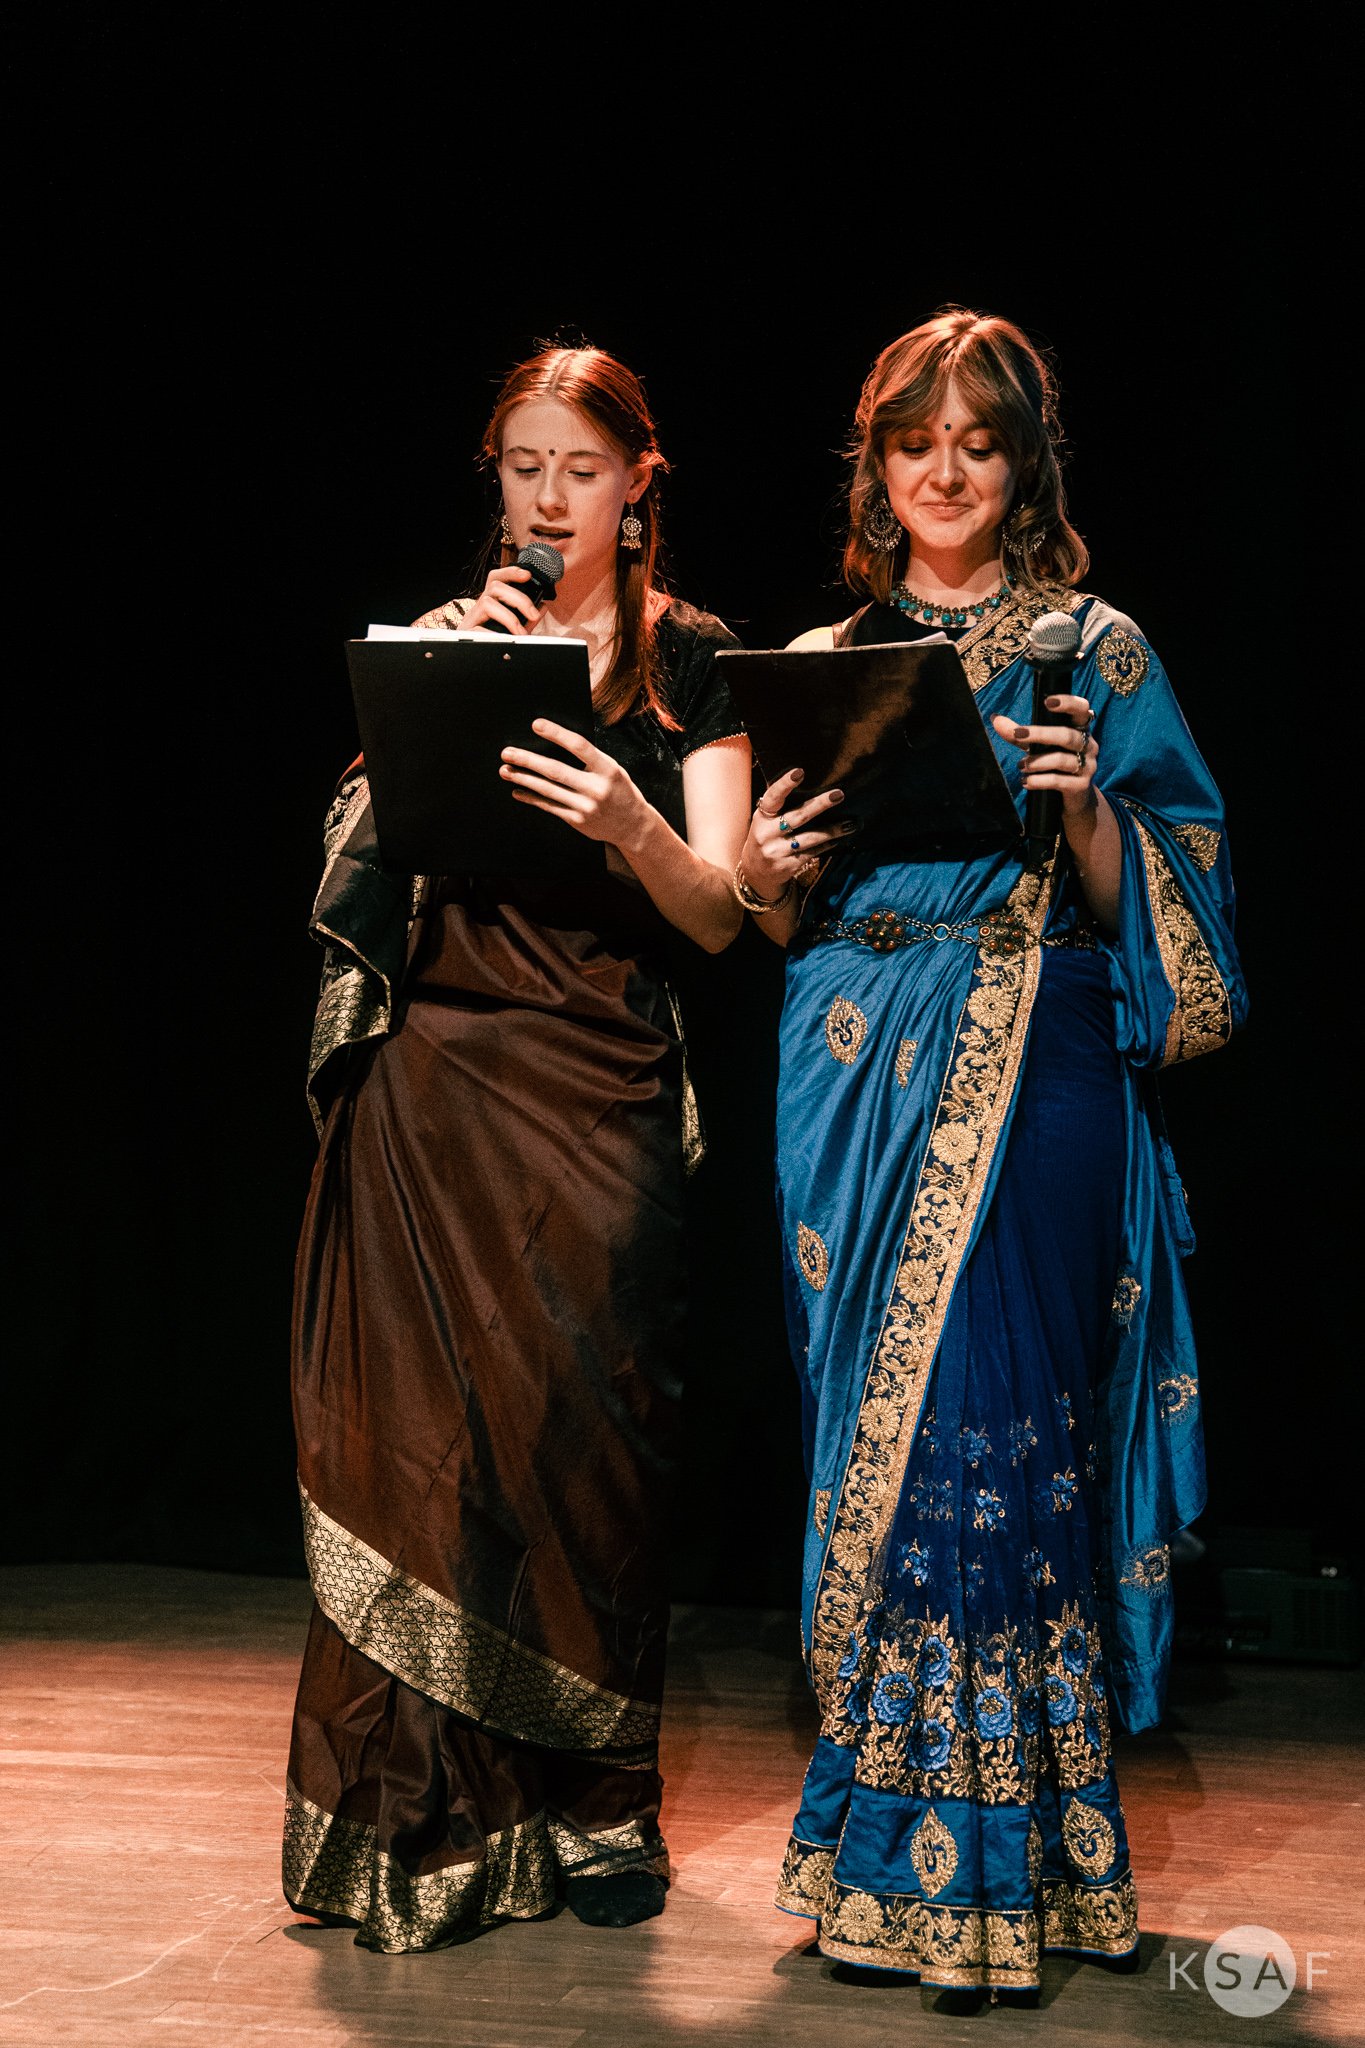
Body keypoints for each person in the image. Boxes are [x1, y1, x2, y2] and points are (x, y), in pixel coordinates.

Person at [733, 308, 1247, 1996]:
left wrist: (1088, 807)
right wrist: (769, 868)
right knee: (877, 1459)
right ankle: (877, 1849)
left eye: (978, 444)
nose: (943, 473)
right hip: (847, 1076)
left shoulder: (1093, 649)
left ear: (1025, 468)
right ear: (874, 467)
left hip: (1028, 1062)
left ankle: (1004, 1869)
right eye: (914, 444)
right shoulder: (826, 659)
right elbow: (779, 909)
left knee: (993, 1434)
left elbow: (1190, 930)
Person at [282, 345, 752, 1953]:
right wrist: (438, 692)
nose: (549, 501)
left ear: (638, 483)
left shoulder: (692, 660)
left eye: (580, 469)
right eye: (522, 466)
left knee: (588, 1444)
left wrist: (628, 823)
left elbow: (721, 912)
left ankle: (603, 1801)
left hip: (596, 1080)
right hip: (435, 1081)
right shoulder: (449, 639)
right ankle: (425, 1815)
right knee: (429, 1458)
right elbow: (368, 870)